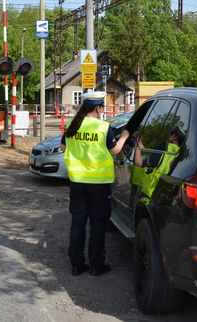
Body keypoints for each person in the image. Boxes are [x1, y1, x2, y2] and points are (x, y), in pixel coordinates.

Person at [61, 91, 128, 276]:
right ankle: (96, 265)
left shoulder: (72, 125)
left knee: (78, 222)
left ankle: (76, 264)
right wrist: (124, 136)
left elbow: (63, 147)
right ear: (98, 107)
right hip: (98, 183)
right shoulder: (103, 127)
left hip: (77, 181)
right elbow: (114, 150)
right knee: (98, 223)